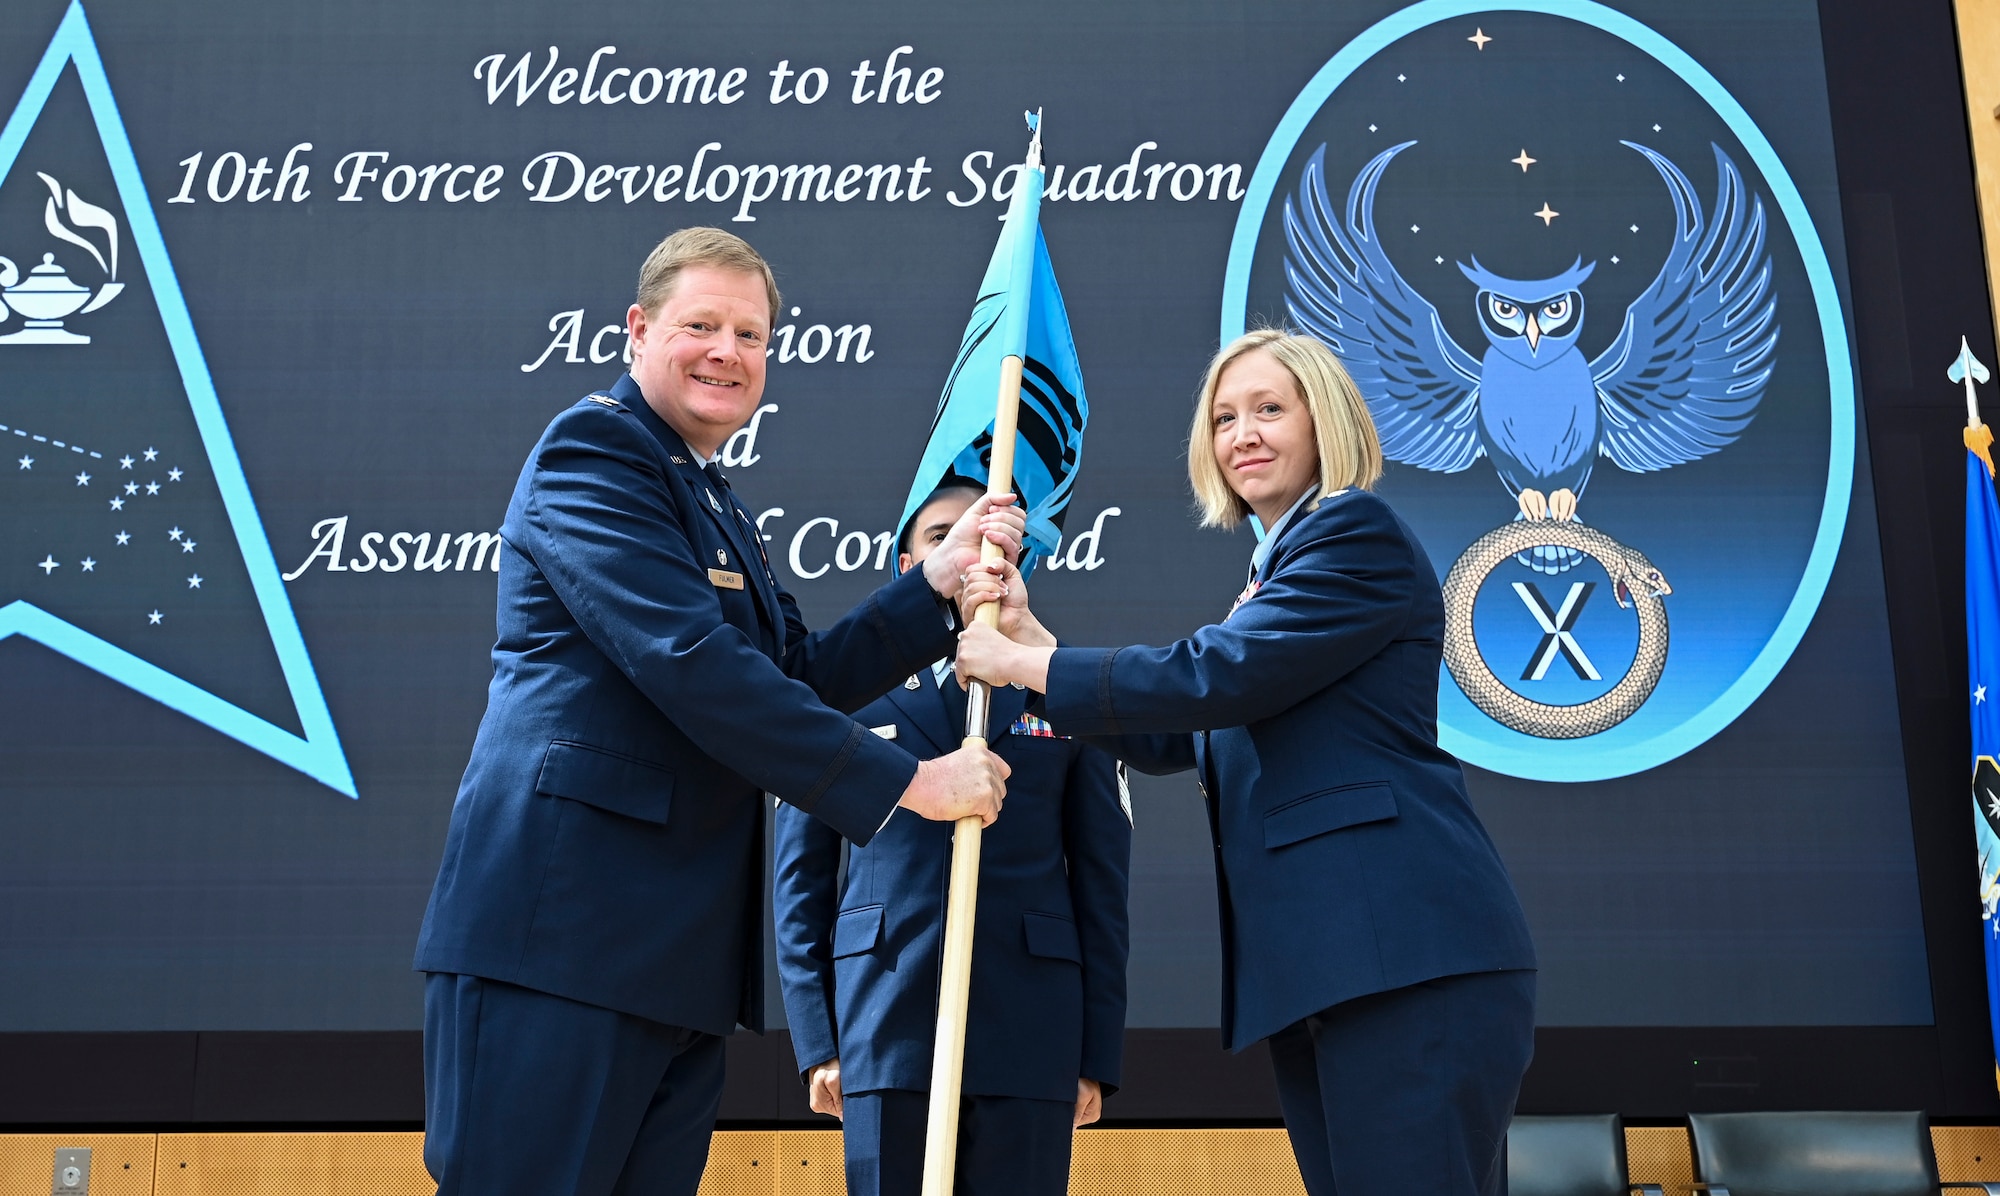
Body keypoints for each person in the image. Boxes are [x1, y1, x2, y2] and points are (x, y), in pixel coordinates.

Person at [413, 227, 1025, 1196]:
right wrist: (907, 782)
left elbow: (791, 675)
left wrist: (935, 587)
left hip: (667, 956)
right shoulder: (595, 451)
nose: (726, 352)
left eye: (749, 334)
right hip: (563, 935)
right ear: (637, 331)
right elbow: (689, 662)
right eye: (701, 324)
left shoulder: (711, 499)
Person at [955, 329, 1538, 1196]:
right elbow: (1180, 732)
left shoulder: (1352, 534)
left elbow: (1215, 676)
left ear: (1325, 420)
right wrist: (1039, 645)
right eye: (1225, 417)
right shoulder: (1272, 577)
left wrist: (1022, 668)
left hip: (1404, 960)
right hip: (1332, 968)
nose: (1243, 435)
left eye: (1270, 409)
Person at [773, 482, 1132, 1196]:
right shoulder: (844, 693)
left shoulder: (1062, 686)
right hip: (882, 1023)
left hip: (1030, 1030)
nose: (972, 550)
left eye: (996, 538)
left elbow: (1102, 882)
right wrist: (818, 1042)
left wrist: (1094, 1051)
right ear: (910, 569)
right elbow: (800, 880)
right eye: (943, 536)